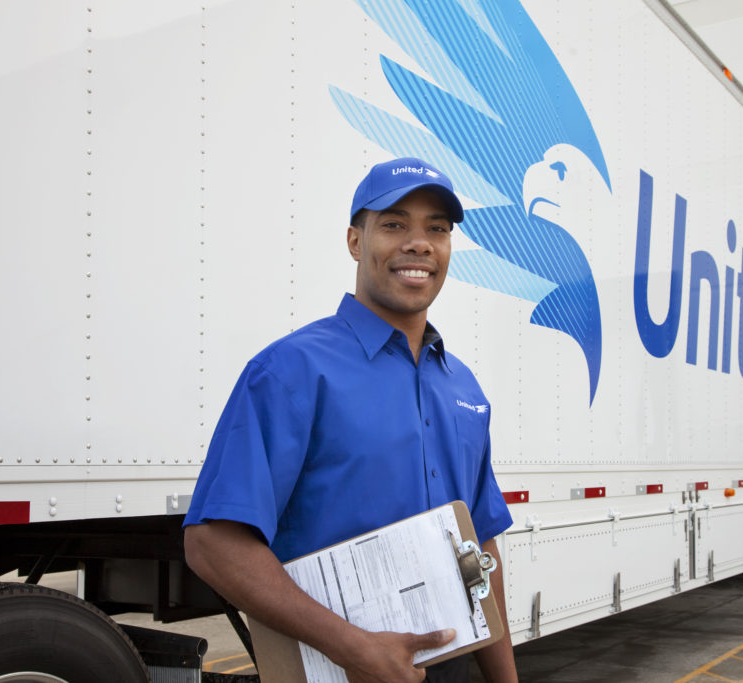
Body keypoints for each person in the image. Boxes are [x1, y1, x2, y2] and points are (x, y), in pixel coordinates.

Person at [183, 157, 518, 683]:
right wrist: (352, 648)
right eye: (394, 223)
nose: (419, 243)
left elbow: (481, 549)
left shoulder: (464, 388)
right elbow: (213, 543)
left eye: (438, 228)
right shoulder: (291, 371)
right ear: (355, 242)